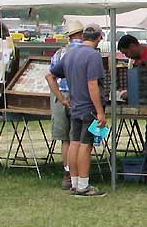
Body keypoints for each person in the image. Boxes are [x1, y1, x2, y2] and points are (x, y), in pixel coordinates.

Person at [47, 24, 107, 197]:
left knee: (74, 143)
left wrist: (62, 98)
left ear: (83, 37)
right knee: (85, 145)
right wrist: (100, 112)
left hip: (75, 106)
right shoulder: (93, 56)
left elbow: (49, 75)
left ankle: (74, 182)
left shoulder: (70, 54)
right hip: (89, 107)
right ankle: (83, 184)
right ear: (99, 38)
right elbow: (92, 84)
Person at [44, 20, 85, 190]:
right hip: (80, 96)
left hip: (61, 96)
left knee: (65, 139)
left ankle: (68, 173)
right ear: (81, 34)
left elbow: (49, 76)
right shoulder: (87, 52)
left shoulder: (59, 53)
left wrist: (60, 98)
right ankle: (80, 175)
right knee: (79, 138)